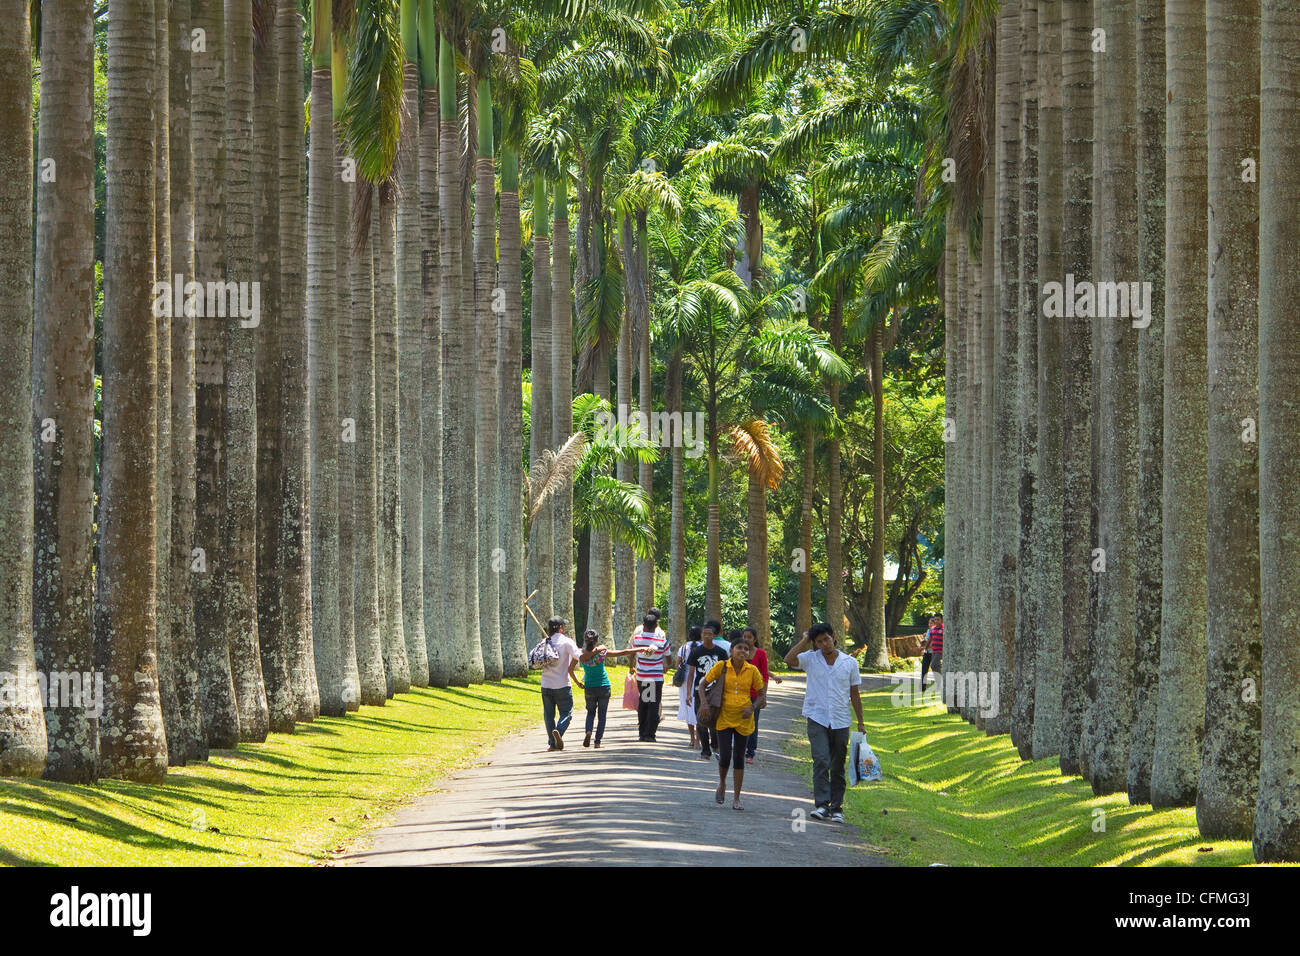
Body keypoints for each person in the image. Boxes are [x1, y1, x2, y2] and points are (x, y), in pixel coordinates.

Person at [784, 622, 865, 823]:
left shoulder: (849, 663)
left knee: (837, 765)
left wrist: (861, 722)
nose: (824, 644)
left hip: (841, 719)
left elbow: (854, 694)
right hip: (817, 716)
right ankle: (822, 805)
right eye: (819, 641)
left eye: (826, 639)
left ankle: (837, 808)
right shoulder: (810, 659)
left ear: (834, 637)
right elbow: (788, 659)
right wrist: (804, 639)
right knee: (821, 760)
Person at [702, 634, 765, 810]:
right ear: (731, 650)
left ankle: (737, 797)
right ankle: (722, 783)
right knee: (725, 757)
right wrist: (705, 705)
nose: (742, 651)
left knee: (739, 757)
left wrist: (752, 709)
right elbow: (702, 685)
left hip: (744, 719)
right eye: (739, 648)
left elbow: (761, 695)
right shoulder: (721, 666)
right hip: (723, 717)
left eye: (746, 649)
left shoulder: (752, 671)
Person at [575, 628, 645, 748]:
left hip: (589, 687)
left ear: (585, 640)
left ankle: (588, 731)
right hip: (603, 686)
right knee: (602, 716)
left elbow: (572, 667)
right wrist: (640, 649)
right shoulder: (602, 652)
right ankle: (597, 742)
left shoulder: (581, 654)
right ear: (596, 640)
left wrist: (577, 682)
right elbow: (623, 651)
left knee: (590, 713)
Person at [686, 622, 730, 759]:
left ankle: (715, 745)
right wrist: (688, 693)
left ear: (714, 636)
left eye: (710, 634)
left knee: (715, 720)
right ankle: (705, 750)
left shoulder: (721, 652)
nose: (707, 636)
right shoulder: (695, 652)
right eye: (704, 634)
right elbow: (691, 674)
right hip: (700, 690)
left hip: (716, 692)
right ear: (701, 635)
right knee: (701, 720)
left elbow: (726, 672)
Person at [539, 616, 583, 751]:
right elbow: (578, 656)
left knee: (548, 715)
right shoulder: (566, 642)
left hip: (546, 684)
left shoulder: (544, 642)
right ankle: (558, 731)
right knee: (567, 712)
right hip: (562, 684)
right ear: (560, 628)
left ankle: (552, 744)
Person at [628, 608, 670, 741]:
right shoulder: (661, 639)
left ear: (644, 625)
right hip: (656, 676)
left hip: (642, 675)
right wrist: (666, 666)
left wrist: (631, 665)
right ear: (656, 625)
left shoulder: (637, 638)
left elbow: (632, 652)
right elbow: (668, 657)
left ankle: (642, 732)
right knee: (653, 704)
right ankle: (650, 734)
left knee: (644, 702)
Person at [741, 625, 781, 763]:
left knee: (753, 722)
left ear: (755, 639)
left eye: (749, 637)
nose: (746, 639)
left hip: (754, 694)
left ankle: (750, 752)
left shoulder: (761, 654)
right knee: (739, 721)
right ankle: (740, 748)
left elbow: (764, 675)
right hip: (739, 692)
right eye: (744, 637)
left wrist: (763, 695)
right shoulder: (739, 652)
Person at [674, 625, 704, 748]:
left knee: (688, 708)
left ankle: (692, 739)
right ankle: (698, 739)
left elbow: (677, 664)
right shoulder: (702, 647)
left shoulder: (683, 648)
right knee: (698, 707)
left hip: (685, 680)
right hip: (700, 679)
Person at [921, 612, 943, 688]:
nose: (936, 621)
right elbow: (929, 640)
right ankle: (940, 682)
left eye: (938, 620)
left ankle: (941, 681)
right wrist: (925, 649)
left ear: (942, 620)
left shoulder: (944, 629)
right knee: (934, 666)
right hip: (934, 651)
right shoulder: (932, 629)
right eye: (935, 620)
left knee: (933, 665)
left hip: (941, 651)